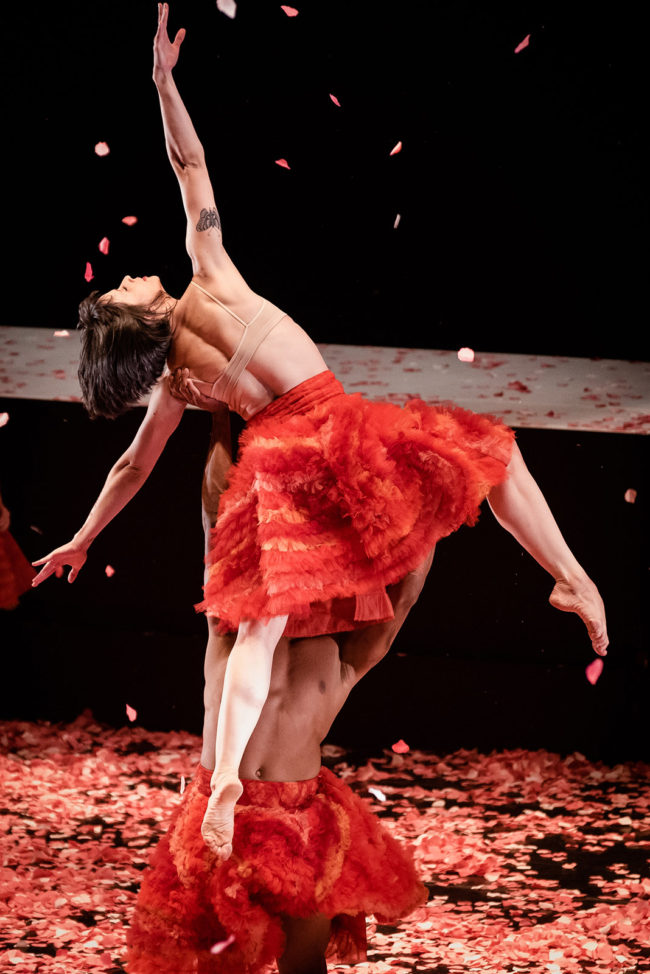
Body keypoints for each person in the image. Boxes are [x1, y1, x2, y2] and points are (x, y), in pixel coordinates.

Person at [33, 2, 609, 863]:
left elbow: (131, 465)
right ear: (135, 314)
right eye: (119, 286)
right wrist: (163, 85)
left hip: (278, 467)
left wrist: (82, 536)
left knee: (255, 632)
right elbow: (188, 161)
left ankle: (224, 779)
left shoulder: (177, 384)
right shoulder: (209, 276)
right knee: (490, 454)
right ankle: (572, 577)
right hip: (335, 431)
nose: (125, 273)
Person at [126, 405, 431, 974]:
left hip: (300, 820)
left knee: (304, 966)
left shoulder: (341, 658)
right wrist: (226, 427)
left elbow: (404, 602)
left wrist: (430, 514)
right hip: (221, 814)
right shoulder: (230, 632)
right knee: (215, 966)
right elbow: (213, 530)